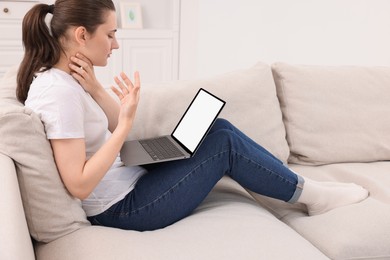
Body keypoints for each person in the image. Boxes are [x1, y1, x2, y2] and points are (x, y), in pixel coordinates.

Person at [16, 0, 368, 231]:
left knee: (215, 128)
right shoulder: (57, 93)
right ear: (81, 35)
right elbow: (78, 183)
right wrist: (124, 127)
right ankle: (314, 197)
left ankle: (300, 187)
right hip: (123, 207)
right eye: (110, 34)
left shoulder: (72, 79)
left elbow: (109, 127)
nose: (116, 44)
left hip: (128, 170)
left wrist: (100, 94)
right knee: (224, 143)